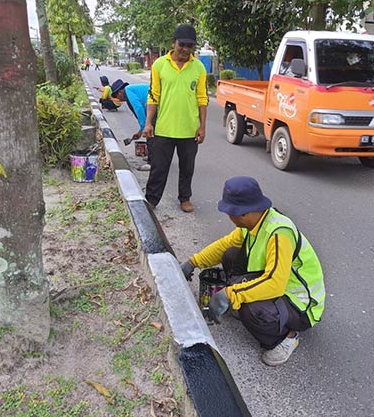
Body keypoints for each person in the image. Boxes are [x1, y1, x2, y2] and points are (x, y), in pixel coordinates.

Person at [179, 176, 325, 366]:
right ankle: (251, 304)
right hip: (277, 283)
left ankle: (287, 338)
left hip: (302, 305)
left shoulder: (279, 233)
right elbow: (225, 245)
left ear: (243, 213)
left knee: (252, 310)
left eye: (230, 212)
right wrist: (193, 262)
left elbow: (275, 284)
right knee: (231, 255)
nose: (229, 217)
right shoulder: (253, 224)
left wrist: (231, 295)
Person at [142, 24, 208, 213]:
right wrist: (148, 123)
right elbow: (153, 95)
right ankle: (152, 200)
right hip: (163, 128)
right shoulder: (159, 65)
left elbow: (202, 98)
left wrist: (202, 127)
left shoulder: (199, 68)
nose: (185, 50)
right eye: (182, 45)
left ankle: (184, 198)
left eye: (190, 46)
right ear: (174, 42)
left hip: (189, 129)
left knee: (187, 167)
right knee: (158, 168)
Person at [111, 79, 153, 171]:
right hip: (153, 104)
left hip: (155, 104)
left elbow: (139, 110)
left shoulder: (128, 92)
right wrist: (140, 131)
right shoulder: (131, 90)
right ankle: (152, 156)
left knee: (151, 134)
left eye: (117, 96)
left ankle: (152, 162)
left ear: (120, 92)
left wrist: (143, 127)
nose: (119, 99)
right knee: (151, 131)